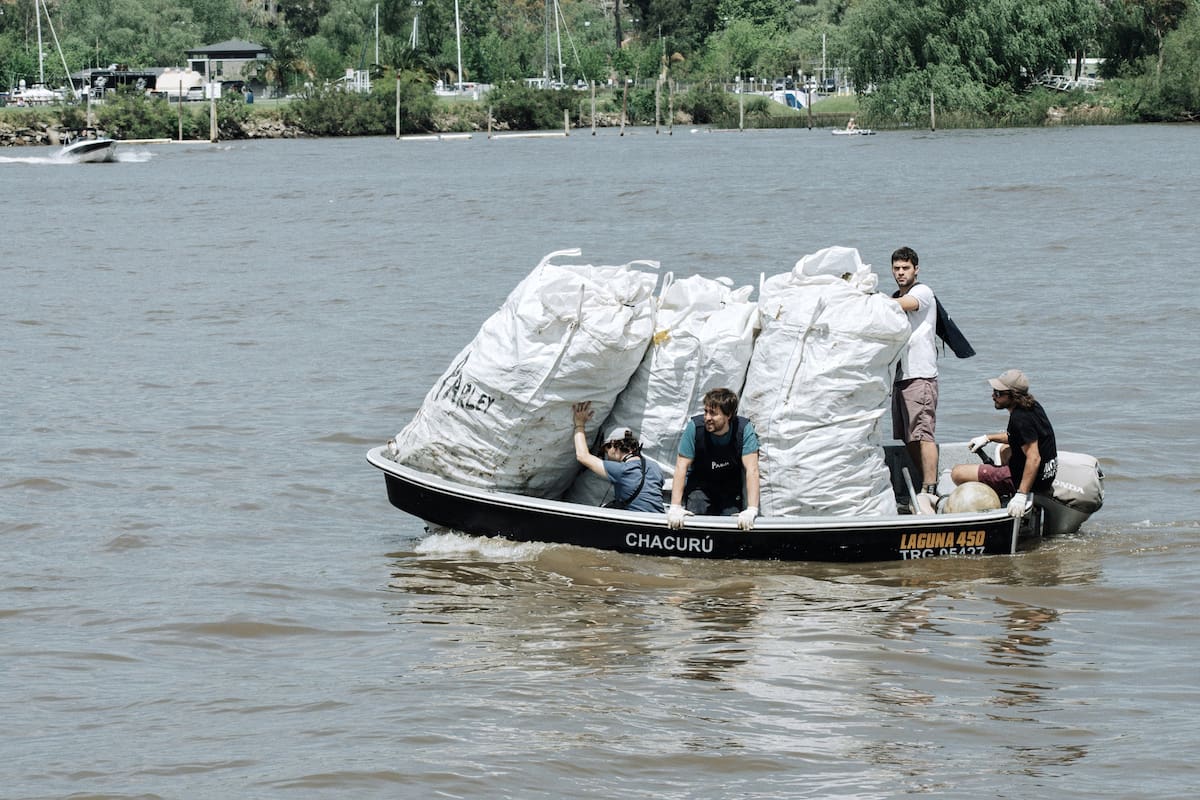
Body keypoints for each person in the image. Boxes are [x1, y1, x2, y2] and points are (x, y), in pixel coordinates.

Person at [950, 369, 1058, 518]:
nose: (993, 396)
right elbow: (1018, 437)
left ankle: (1009, 492)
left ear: (1013, 395)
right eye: (994, 391)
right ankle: (1005, 486)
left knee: (958, 473)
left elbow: (1034, 458)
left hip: (1031, 481)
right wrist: (988, 438)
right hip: (1046, 476)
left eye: (999, 393)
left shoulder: (1019, 419)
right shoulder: (1032, 406)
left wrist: (1021, 495)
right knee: (1004, 450)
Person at [667, 387, 761, 531]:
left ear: (728, 415)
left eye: (713, 413)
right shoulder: (694, 428)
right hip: (700, 487)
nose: (707, 417)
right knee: (696, 518)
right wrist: (675, 507)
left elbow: (752, 470)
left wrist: (752, 509)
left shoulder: (744, 430)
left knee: (730, 527)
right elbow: (681, 467)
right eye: (706, 411)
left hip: (730, 489)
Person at [889, 246, 940, 499]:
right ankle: (927, 481)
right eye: (896, 268)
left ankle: (930, 488)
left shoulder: (922, 292)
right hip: (900, 377)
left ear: (916, 269)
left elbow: (908, 304)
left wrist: (872, 302)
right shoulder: (892, 297)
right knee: (908, 437)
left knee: (923, 433)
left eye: (905, 268)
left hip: (921, 374)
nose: (900, 273)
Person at [572, 402, 664, 513]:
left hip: (635, 523)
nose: (606, 454)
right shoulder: (654, 467)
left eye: (606, 449)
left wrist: (579, 423)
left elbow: (582, 456)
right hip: (659, 520)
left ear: (613, 446)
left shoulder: (622, 470)